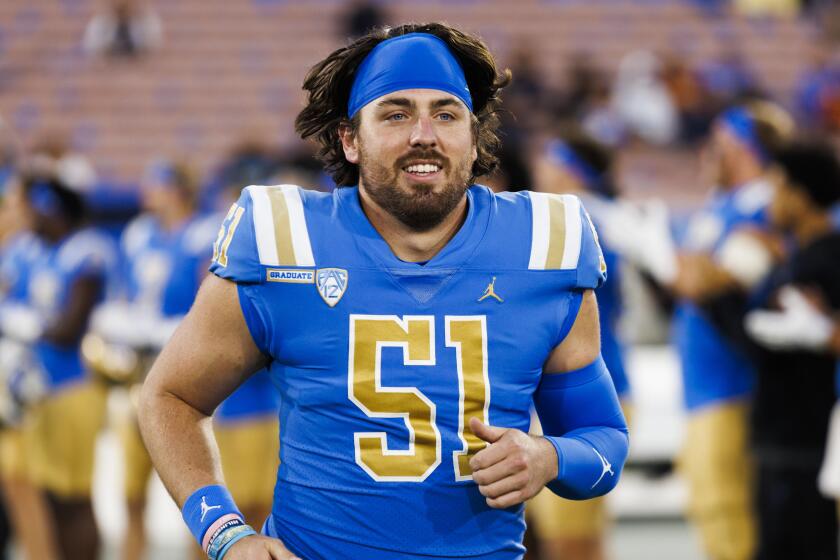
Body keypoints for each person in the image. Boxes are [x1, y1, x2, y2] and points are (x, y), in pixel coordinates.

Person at [138, 22, 629, 560]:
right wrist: (225, 534)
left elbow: (602, 437)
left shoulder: (543, 244)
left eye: (446, 113)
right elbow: (169, 398)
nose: (424, 133)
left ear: (472, 134)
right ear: (350, 138)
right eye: (395, 114)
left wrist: (548, 457)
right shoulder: (286, 239)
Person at [599, 101, 793, 560]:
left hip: (737, 385)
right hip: (706, 384)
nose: (707, 153)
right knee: (712, 510)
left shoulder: (765, 204)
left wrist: (658, 253)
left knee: (731, 513)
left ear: (742, 147)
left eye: (719, 144)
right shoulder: (723, 206)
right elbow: (685, 285)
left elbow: (704, 279)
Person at [699, 142, 840, 560]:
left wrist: (716, 294)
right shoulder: (798, 255)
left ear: (800, 194)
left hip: (802, 437)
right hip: (790, 436)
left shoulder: (824, 259)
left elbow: (757, 344)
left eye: (778, 187)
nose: (771, 200)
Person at [1, 173, 115, 560]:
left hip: (72, 388)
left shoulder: (85, 250)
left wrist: (23, 323)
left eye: (31, 206)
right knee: (43, 498)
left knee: (73, 499)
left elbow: (68, 329)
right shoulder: (30, 250)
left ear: (50, 206)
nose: (25, 216)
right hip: (36, 393)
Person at [529, 131, 632, 560]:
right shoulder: (604, 217)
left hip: (581, 387)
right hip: (577, 380)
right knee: (552, 532)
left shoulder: (581, 221)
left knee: (569, 536)